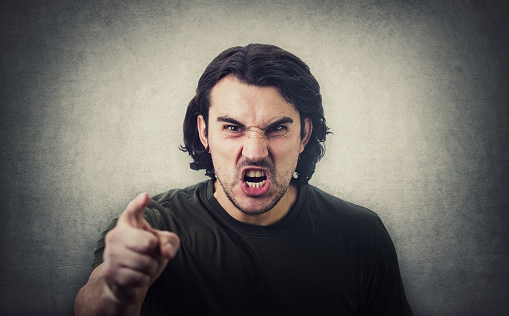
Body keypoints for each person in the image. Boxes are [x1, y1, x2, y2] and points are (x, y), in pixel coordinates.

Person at [75, 44, 412, 315]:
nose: (254, 151)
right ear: (204, 132)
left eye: (277, 127)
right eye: (232, 127)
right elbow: (93, 304)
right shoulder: (152, 228)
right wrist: (114, 289)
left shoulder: (361, 235)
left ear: (305, 134)